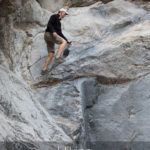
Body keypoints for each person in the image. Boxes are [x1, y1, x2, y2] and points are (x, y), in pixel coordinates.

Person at [41, 8, 71, 75]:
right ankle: (58, 57)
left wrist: (67, 40)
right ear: (60, 12)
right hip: (49, 34)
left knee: (51, 54)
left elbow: (60, 33)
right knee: (63, 42)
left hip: (49, 37)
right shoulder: (54, 16)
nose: (65, 15)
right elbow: (49, 24)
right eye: (65, 13)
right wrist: (53, 32)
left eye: (65, 14)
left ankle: (44, 69)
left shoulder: (59, 23)